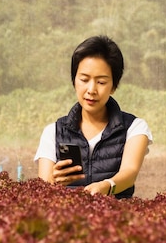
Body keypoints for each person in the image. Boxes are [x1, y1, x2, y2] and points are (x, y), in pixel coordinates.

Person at [34, 35, 152, 198]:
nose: (91, 89)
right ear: (74, 81)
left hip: (116, 220)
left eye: (101, 82)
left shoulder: (134, 127)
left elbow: (130, 173)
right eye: (84, 79)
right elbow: (44, 185)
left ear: (114, 86)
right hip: (66, 220)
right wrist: (53, 180)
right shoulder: (53, 131)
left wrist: (107, 186)